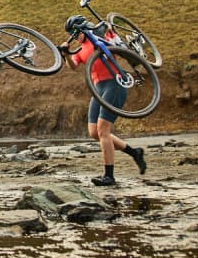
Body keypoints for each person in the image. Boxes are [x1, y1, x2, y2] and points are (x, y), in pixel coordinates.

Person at [60, 16, 147, 186]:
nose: (74, 35)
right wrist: (65, 54)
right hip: (98, 89)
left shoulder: (98, 39)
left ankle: (109, 176)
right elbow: (72, 66)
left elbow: (115, 42)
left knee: (103, 130)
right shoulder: (80, 49)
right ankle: (135, 152)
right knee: (94, 132)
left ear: (83, 29)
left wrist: (109, 29)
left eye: (76, 32)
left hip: (114, 84)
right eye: (71, 33)